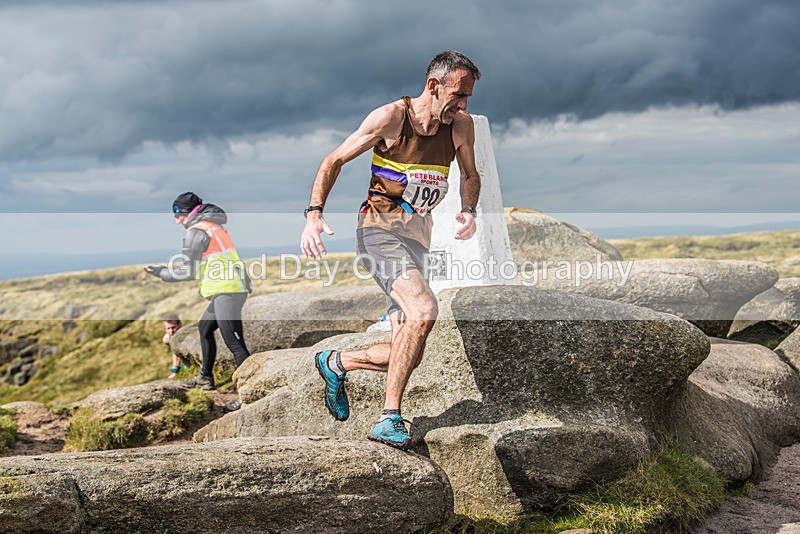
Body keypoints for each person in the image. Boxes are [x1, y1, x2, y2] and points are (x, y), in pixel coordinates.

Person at [300, 51, 481, 449]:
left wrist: (469, 210)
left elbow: (470, 174)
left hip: (418, 239)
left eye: (468, 96)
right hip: (378, 232)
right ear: (433, 86)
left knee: (409, 351)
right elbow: (334, 160)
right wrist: (314, 214)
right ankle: (390, 417)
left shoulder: (461, 126)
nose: (464, 105)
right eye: (459, 94)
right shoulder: (390, 118)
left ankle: (336, 363)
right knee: (424, 311)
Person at [145, 192, 251, 405]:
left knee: (235, 344)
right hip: (229, 287)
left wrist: (162, 273)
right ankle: (205, 378)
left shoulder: (196, 231)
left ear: (187, 213)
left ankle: (249, 393)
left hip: (226, 290)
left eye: (178, 215)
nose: (177, 221)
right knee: (204, 328)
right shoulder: (213, 225)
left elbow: (188, 271)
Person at [162, 313, 184, 379]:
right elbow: (176, 353)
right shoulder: (167, 339)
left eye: (173, 327)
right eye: (168, 328)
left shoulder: (187, 335)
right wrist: (175, 371)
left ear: (180, 324)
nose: (171, 331)